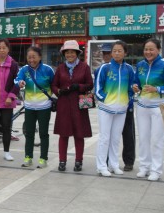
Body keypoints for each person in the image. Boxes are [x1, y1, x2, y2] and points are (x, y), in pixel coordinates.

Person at [132, 39, 164, 181]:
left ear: (158, 50)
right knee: (143, 138)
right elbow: (136, 82)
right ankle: (144, 167)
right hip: (142, 106)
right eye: (146, 49)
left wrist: (157, 89)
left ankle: (156, 170)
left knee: (157, 139)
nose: (148, 52)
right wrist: (135, 87)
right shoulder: (140, 65)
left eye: (151, 49)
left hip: (158, 107)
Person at [94, 41, 136, 177]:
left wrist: (127, 101)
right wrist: (105, 99)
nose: (117, 53)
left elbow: (131, 88)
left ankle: (114, 165)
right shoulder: (104, 68)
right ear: (111, 53)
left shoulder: (129, 69)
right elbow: (98, 88)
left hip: (121, 110)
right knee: (104, 138)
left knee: (116, 138)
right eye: (115, 51)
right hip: (106, 108)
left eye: (120, 51)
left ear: (125, 53)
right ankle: (101, 166)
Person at [51, 40, 93, 172]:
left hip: (79, 105)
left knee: (79, 134)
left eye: (72, 52)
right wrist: (58, 91)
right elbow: (54, 85)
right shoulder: (60, 68)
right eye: (67, 52)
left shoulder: (84, 67)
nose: (69, 54)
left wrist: (78, 86)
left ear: (77, 53)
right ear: (64, 54)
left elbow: (90, 84)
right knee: (63, 134)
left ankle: (78, 161)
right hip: (64, 105)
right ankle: (62, 161)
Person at [15, 46, 55, 168]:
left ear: (40, 57)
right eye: (29, 57)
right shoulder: (24, 69)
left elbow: (55, 85)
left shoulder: (48, 70)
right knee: (29, 133)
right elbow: (16, 80)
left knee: (43, 133)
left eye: (34, 57)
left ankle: (43, 159)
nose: (31, 60)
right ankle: (28, 157)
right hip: (29, 107)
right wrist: (20, 82)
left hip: (44, 107)